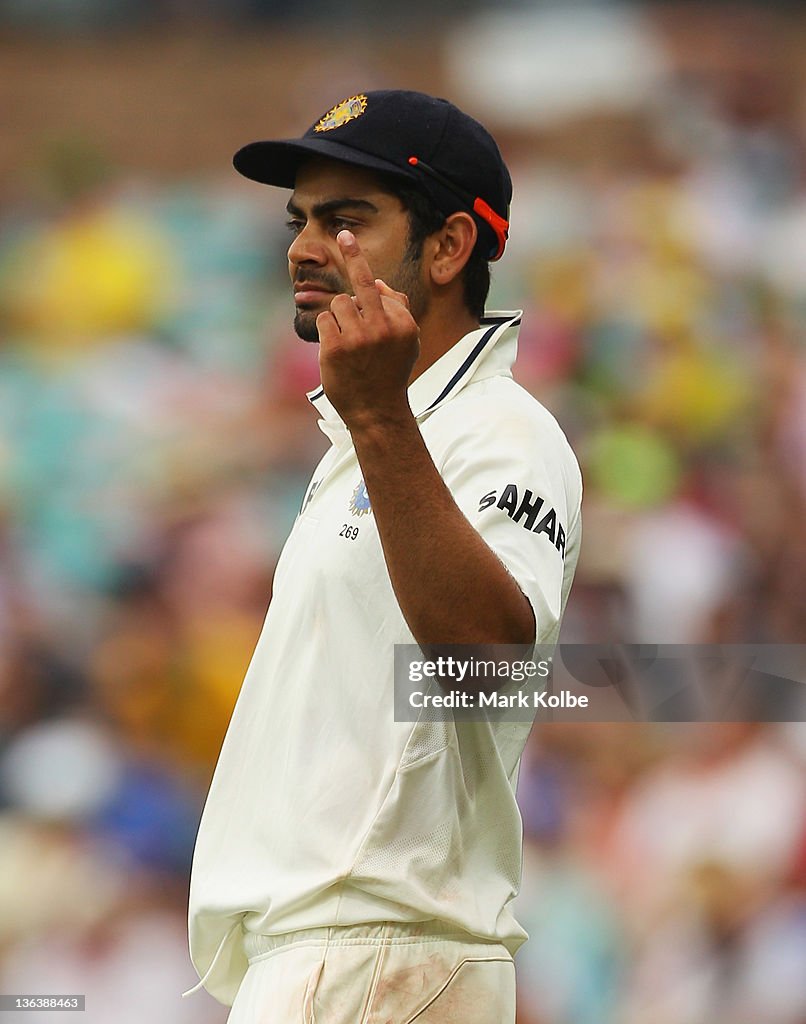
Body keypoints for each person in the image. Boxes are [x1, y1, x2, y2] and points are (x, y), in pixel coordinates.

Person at [186, 89, 582, 1023]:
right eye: (300, 220)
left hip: (380, 957)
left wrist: (375, 416)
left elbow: (487, 664)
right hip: (330, 961)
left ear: (449, 248)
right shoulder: (380, 435)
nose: (303, 246)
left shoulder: (501, 433)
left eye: (346, 219)